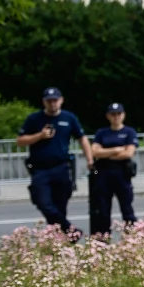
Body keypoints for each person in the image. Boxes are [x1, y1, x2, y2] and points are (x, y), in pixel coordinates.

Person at [16, 87, 93, 238]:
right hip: (40, 169)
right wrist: (40, 135)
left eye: (55, 100)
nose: (52, 104)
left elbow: (82, 138)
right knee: (44, 203)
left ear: (61, 100)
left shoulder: (69, 118)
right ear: (44, 102)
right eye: (49, 101)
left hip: (61, 167)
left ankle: (58, 242)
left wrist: (90, 160)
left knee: (60, 206)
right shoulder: (34, 119)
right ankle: (70, 230)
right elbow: (20, 141)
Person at [90, 102, 139, 235]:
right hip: (104, 175)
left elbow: (128, 153)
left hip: (122, 174)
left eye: (118, 114)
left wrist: (105, 154)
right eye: (113, 114)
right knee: (103, 210)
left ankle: (132, 238)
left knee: (127, 209)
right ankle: (104, 240)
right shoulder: (102, 133)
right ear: (108, 116)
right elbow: (94, 152)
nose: (116, 117)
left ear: (123, 115)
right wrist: (116, 150)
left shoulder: (129, 132)